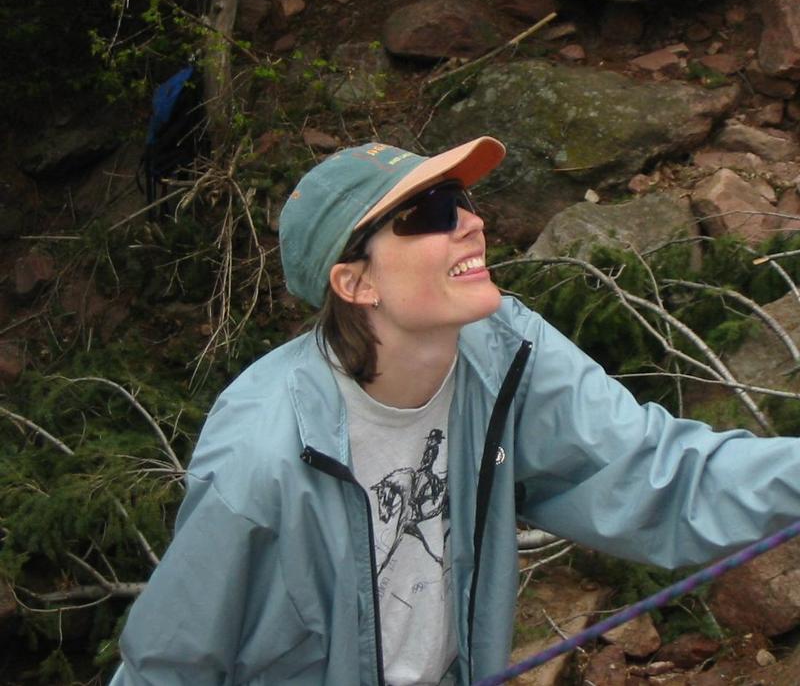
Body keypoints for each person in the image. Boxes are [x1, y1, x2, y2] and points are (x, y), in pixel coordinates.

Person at [110, 136, 800, 686]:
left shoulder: (504, 354)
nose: (472, 223)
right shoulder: (260, 455)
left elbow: (658, 474)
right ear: (355, 282)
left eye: (463, 201)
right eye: (431, 213)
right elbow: (169, 663)